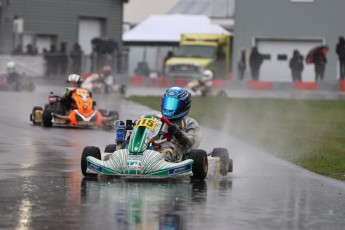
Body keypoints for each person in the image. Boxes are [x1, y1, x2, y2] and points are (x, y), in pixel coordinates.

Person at [159, 87, 202, 162]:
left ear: (184, 106)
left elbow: (190, 144)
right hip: (154, 148)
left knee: (168, 148)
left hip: (176, 153)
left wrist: (178, 133)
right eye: (167, 103)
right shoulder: (158, 119)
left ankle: (161, 161)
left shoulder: (190, 123)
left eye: (173, 104)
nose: (169, 108)